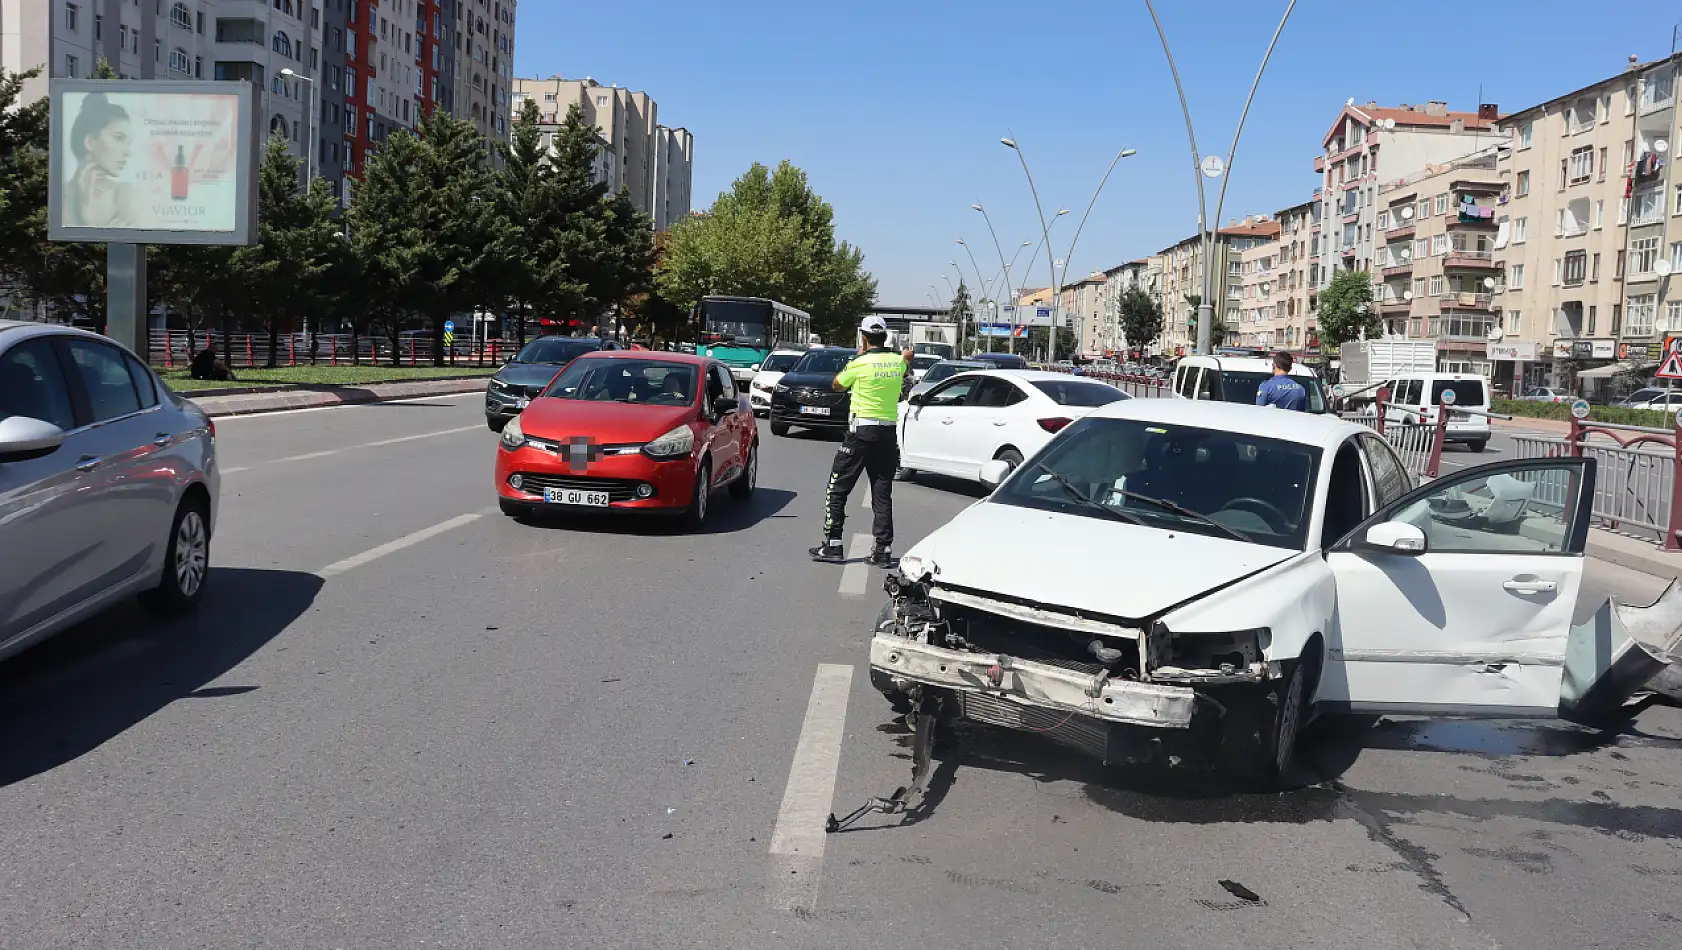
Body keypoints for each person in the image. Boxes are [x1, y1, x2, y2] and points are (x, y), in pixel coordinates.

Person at [810, 316, 915, 566]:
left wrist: (858, 358)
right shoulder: (897, 362)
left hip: (860, 434)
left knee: (837, 488)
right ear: (885, 336)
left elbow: (836, 385)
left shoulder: (860, 363)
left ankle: (833, 544)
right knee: (882, 492)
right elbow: (905, 365)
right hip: (887, 436)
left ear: (863, 337)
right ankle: (883, 549)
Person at [65, 93, 138, 229]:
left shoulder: (126, 195)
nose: (128, 152)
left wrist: (88, 221)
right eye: (119, 138)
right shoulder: (57, 198)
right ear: (90, 141)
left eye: (128, 143)